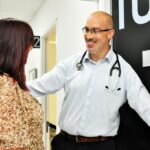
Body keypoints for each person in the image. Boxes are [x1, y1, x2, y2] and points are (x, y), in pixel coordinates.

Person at [27, 11, 150, 150]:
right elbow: (38, 86)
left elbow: (146, 106)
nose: (88, 36)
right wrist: (7, 85)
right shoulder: (70, 64)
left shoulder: (124, 71)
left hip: (101, 146)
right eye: (86, 30)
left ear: (110, 33)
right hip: (65, 144)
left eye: (95, 31)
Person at [0, 18, 44, 150]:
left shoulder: (11, 82)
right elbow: (12, 143)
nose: (31, 48)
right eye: (28, 44)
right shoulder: (4, 85)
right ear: (15, 47)